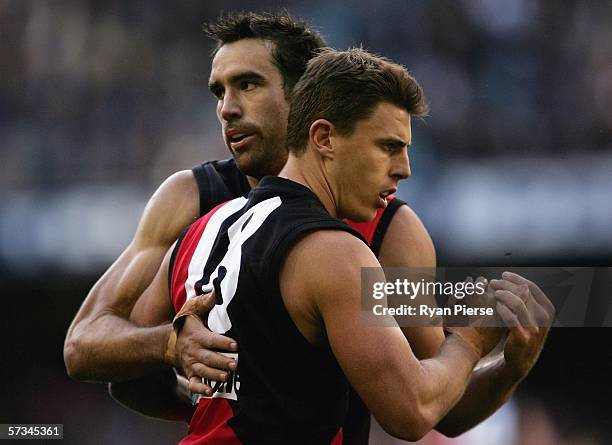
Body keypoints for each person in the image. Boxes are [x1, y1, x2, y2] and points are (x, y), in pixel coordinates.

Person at [64, 11, 553, 444]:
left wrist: (510, 368)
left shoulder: (382, 230)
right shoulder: (194, 199)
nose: (227, 107)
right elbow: (84, 347)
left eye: (248, 84)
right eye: (220, 90)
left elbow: (442, 408)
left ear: (306, 95)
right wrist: (170, 346)